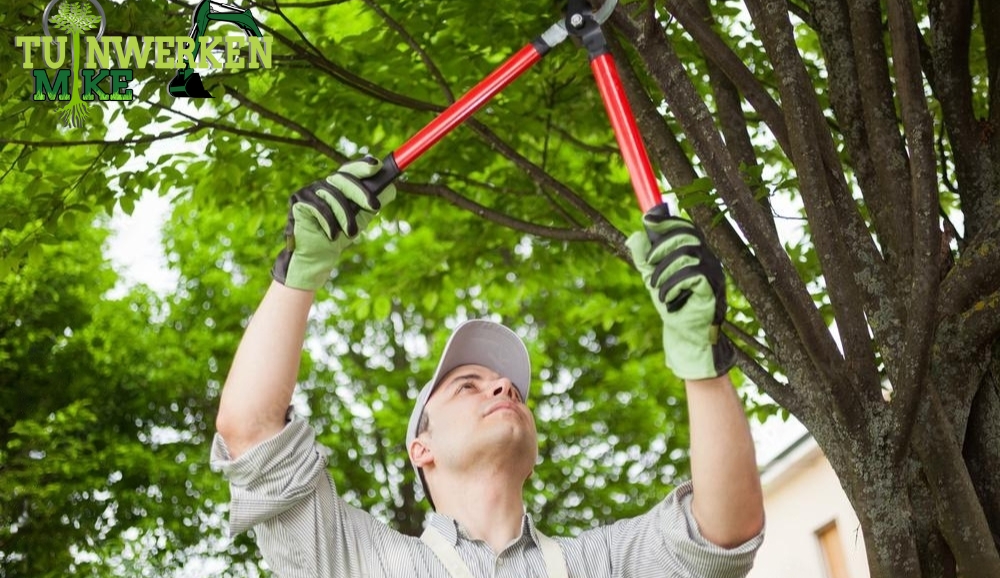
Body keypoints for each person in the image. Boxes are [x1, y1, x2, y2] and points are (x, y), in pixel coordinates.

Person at [211, 157, 765, 577]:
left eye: (510, 390)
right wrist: (300, 272)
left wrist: (702, 360)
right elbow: (252, 433)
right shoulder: (362, 561)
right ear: (420, 449)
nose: (502, 385)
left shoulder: (598, 564)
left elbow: (723, 532)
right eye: (466, 385)